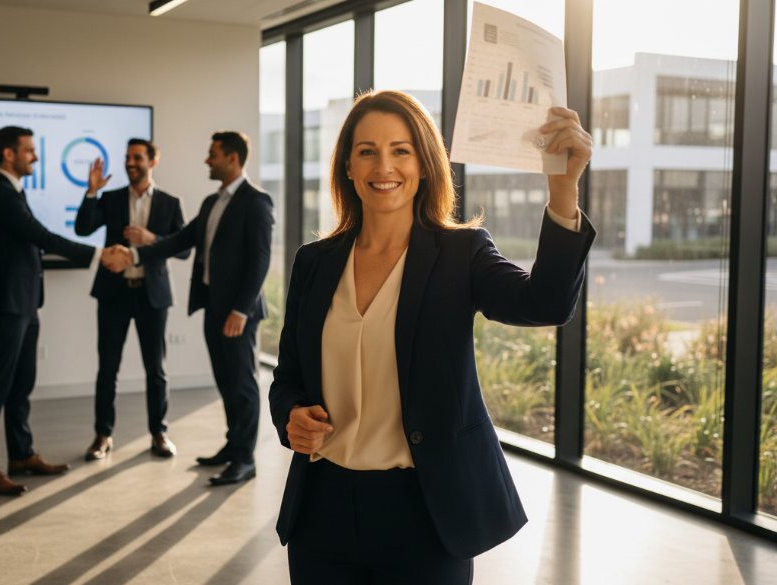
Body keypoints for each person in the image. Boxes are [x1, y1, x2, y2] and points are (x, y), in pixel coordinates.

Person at [268, 90, 596, 584]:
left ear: (424, 163)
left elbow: (544, 304)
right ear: (348, 169)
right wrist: (291, 414)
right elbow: (288, 375)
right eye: (367, 151)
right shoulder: (313, 263)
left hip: (425, 511)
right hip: (322, 510)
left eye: (401, 149)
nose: (385, 165)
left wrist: (563, 190)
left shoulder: (460, 252)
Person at [103, 131, 273, 486]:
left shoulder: (256, 201)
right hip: (213, 307)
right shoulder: (213, 202)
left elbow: (260, 261)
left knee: (243, 385)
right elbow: (180, 242)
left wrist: (241, 311)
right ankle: (232, 445)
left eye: (213, 154)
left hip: (237, 314)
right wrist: (133, 255)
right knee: (226, 381)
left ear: (233, 158)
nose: (207, 160)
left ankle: (245, 459)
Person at [0, 126, 98, 496]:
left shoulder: (12, 192)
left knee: (21, 384)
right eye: (29, 150)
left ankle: (21, 454)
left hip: (24, 302)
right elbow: (41, 236)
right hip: (5, 304)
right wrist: (96, 254)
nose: (35, 157)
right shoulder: (0, 195)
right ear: (9, 154)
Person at [73, 138, 189, 461]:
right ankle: (102, 435)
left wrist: (153, 240)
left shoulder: (169, 202)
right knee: (107, 368)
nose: (130, 162)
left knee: (156, 369)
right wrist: (91, 191)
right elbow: (82, 228)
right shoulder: (109, 199)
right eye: (127, 157)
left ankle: (159, 433)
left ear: (153, 161)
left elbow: (184, 249)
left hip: (153, 296)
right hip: (114, 294)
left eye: (137, 157)